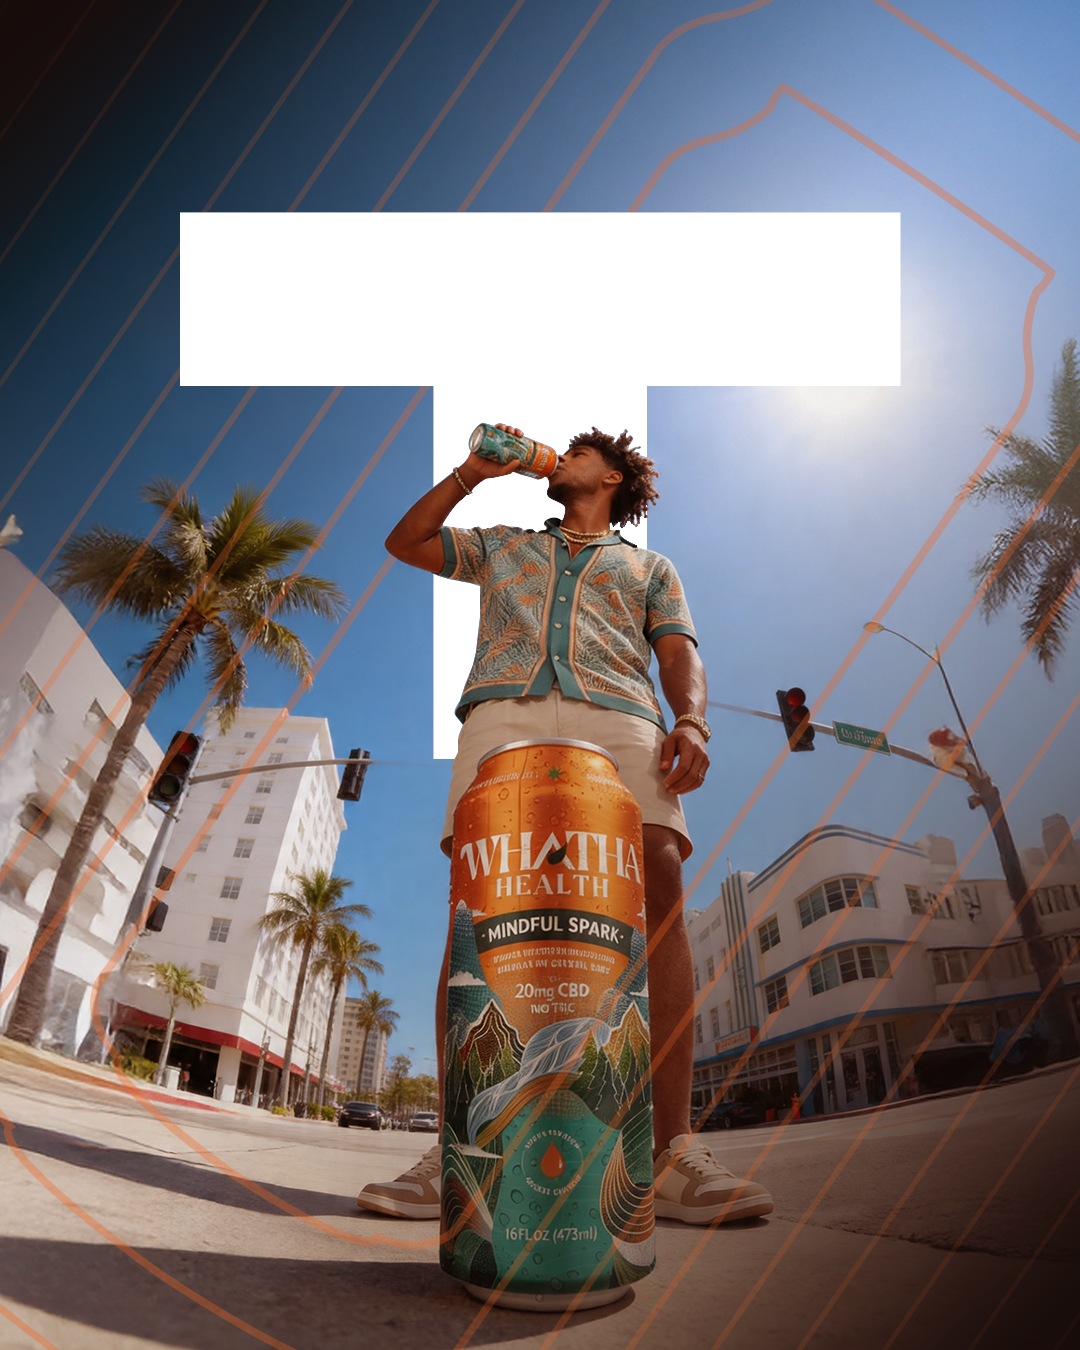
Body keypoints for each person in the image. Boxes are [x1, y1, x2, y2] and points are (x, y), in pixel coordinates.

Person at [356, 424, 773, 1226]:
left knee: (659, 877)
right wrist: (468, 474)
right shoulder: (504, 544)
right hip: (501, 714)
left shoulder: (650, 567)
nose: (560, 458)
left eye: (581, 453)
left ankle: (672, 1150)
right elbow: (404, 541)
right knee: (477, 905)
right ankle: (458, 1153)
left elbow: (679, 651)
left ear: (614, 477)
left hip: (620, 714)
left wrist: (691, 721)